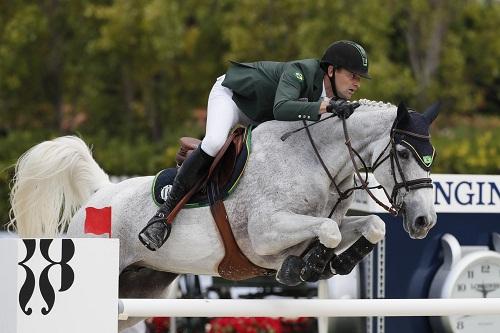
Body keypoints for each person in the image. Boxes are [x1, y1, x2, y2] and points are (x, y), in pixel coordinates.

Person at [139, 40, 371, 251]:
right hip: (233, 98)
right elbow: (281, 108)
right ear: (331, 70)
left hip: (262, 116)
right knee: (214, 141)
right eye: (352, 75)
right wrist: (326, 107)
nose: (356, 83)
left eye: (359, 78)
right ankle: (163, 215)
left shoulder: (334, 99)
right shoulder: (300, 72)